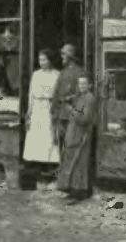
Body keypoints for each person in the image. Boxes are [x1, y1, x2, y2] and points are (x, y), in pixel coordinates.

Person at [55, 72, 97, 205]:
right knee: (71, 161)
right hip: (73, 132)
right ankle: (72, 190)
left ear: (89, 85)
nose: (81, 86)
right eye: (80, 84)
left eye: (84, 84)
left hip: (81, 133)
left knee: (79, 162)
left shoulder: (90, 99)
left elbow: (85, 118)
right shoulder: (79, 97)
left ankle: (80, 192)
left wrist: (70, 110)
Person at [22, 49, 60, 164]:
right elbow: (31, 93)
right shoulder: (36, 74)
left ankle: (49, 161)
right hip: (37, 106)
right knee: (36, 134)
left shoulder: (57, 74)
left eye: (44, 59)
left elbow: (58, 94)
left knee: (48, 133)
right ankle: (35, 161)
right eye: (40, 60)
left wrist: (55, 109)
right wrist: (29, 111)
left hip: (49, 106)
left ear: (50, 60)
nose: (42, 62)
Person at [52, 44, 83, 152]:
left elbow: (82, 93)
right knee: (61, 143)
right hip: (61, 114)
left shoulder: (80, 72)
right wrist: (54, 110)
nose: (62, 56)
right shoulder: (62, 72)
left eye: (64, 54)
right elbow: (56, 92)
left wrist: (70, 100)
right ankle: (63, 167)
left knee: (72, 143)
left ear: (70, 56)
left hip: (73, 112)